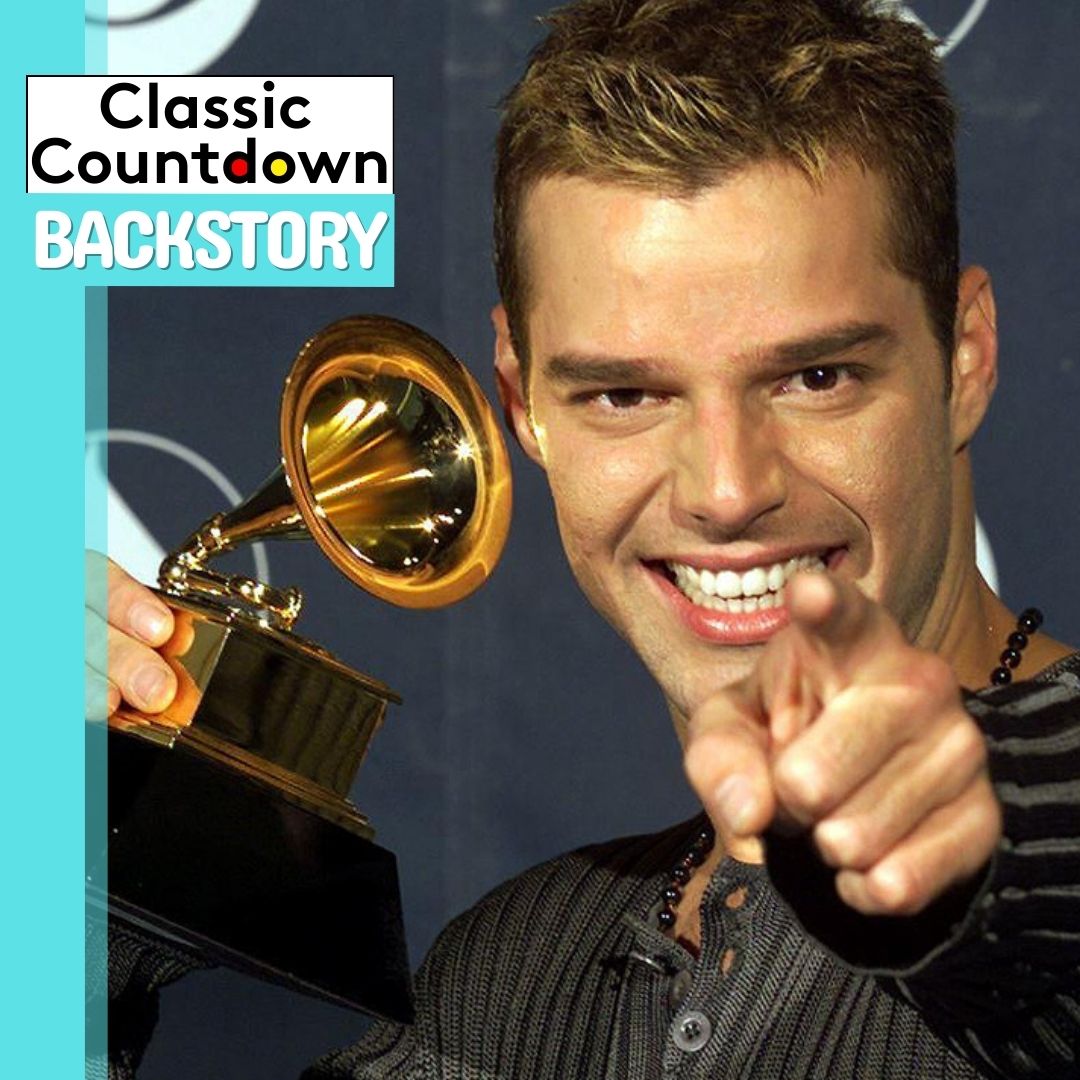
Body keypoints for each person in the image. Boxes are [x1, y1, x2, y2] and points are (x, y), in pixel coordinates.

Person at [96, 1, 1080, 1076]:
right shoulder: (505, 975)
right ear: (523, 406)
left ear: (966, 359)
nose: (726, 489)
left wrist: (978, 864)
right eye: (623, 393)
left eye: (815, 378)